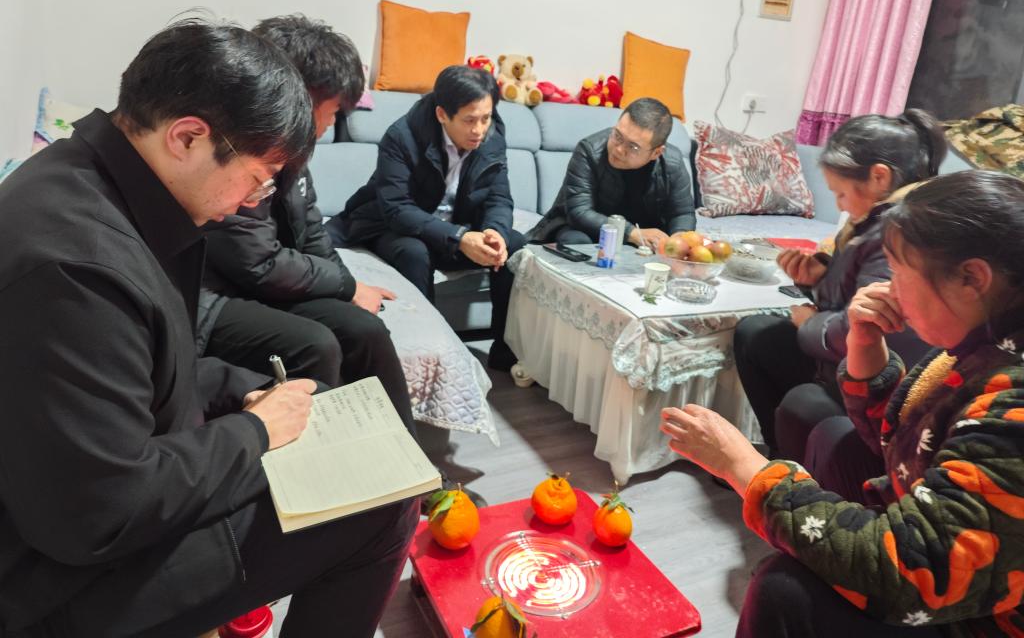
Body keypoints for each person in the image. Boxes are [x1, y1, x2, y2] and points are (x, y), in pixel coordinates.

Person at [0, 20, 417, 637]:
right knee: (381, 504)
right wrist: (254, 431)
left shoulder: (87, 181)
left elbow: (142, 373)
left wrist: (240, 393)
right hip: (54, 584)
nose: (252, 200)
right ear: (188, 137)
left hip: (94, 501)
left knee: (332, 426)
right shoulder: (77, 268)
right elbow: (102, 512)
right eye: (257, 178)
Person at [662, 170, 1024, 638]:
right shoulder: (986, 342)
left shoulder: (1013, 405)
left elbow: (913, 571)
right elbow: (909, 437)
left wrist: (744, 468)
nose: (890, 289)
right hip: (943, 537)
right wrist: (864, 343)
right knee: (833, 437)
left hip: (984, 619)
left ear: (971, 278)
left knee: (784, 590)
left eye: (899, 272)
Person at [199, 14, 414, 435]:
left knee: (364, 329)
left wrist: (349, 287)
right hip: (222, 291)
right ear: (294, 94)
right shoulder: (242, 151)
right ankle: (325, 453)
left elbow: (313, 231)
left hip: (263, 282)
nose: (332, 124)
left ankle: (406, 462)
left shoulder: (293, 153)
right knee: (318, 344)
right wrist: (345, 287)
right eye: (331, 111)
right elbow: (256, 262)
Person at [734, 111, 944, 473]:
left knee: (801, 400)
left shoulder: (904, 231)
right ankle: (779, 458)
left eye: (841, 193)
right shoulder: (875, 221)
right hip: (842, 350)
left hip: (878, 368)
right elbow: (851, 293)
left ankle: (794, 475)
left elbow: (867, 326)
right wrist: (816, 276)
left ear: (879, 177)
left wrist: (809, 324)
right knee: (756, 333)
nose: (840, 205)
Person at [326, 65, 524, 371]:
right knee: (414, 253)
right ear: (442, 114)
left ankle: (504, 350)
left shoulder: (493, 136)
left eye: (486, 118)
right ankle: (429, 356)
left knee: (513, 244)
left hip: (454, 229)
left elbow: (499, 197)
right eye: (470, 120)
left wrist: (494, 232)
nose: (479, 130)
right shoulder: (402, 136)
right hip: (401, 228)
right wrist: (459, 238)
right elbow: (397, 209)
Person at [527, 97, 695, 249]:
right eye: (617, 136)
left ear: (656, 153)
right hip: (586, 230)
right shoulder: (589, 151)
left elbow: (682, 213)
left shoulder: (672, 163)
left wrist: (679, 238)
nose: (619, 149)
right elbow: (579, 212)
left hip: (642, 236)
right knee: (576, 241)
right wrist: (631, 233)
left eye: (633, 147)